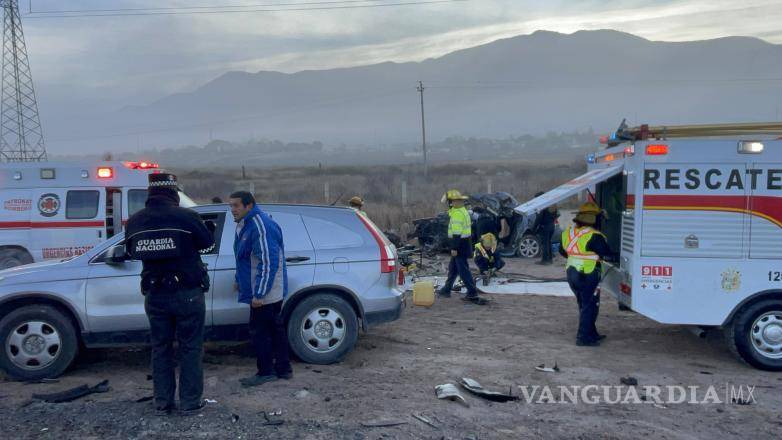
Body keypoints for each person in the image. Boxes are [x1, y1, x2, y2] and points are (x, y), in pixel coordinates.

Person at [125, 173, 214, 416]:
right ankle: (189, 403)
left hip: (155, 294)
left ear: (150, 193)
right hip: (187, 293)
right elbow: (207, 242)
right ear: (173, 193)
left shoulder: (135, 221)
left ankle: (162, 402)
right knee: (190, 348)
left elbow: (132, 252)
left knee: (160, 349)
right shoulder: (186, 217)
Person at [228, 191, 293, 387]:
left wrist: (260, 293)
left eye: (236, 206)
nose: (232, 210)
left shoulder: (260, 225)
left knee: (260, 331)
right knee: (275, 329)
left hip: (266, 292)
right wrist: (239, 279)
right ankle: (283, 369)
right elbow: (245, 258)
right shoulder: (246, 225)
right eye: (231, 206)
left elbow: (268, 261)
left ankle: (266, 372)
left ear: (249, 206)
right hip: (262, 289)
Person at [559, 201, 614, 347]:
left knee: (583, 304)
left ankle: (591, 333)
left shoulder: (568, 233)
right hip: (588, 274)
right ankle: (583, 338)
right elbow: (607, 253)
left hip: (572, 273)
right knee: (590, 305)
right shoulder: (595, 236)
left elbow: (562, 251)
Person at [436, 190, 485, 304]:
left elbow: (457, 233)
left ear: (453, 202)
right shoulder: (462, 211)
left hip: (459, 245)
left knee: (463, 270)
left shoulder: (457, 213)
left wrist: (454, 248)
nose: (449, 204)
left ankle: (472, 293)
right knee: (453, 269)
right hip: (464, 243)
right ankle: (446, 289)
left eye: (450, 202)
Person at [533, 191, 559, 265]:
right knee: (549, 243)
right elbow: (557, 215)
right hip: (551, 226)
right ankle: (550, 259)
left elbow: (539, 218)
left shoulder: (543, 205)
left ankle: (545, 260)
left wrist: (534, 228)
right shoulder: (552, 204)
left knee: (545, 244)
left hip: (545, 227)